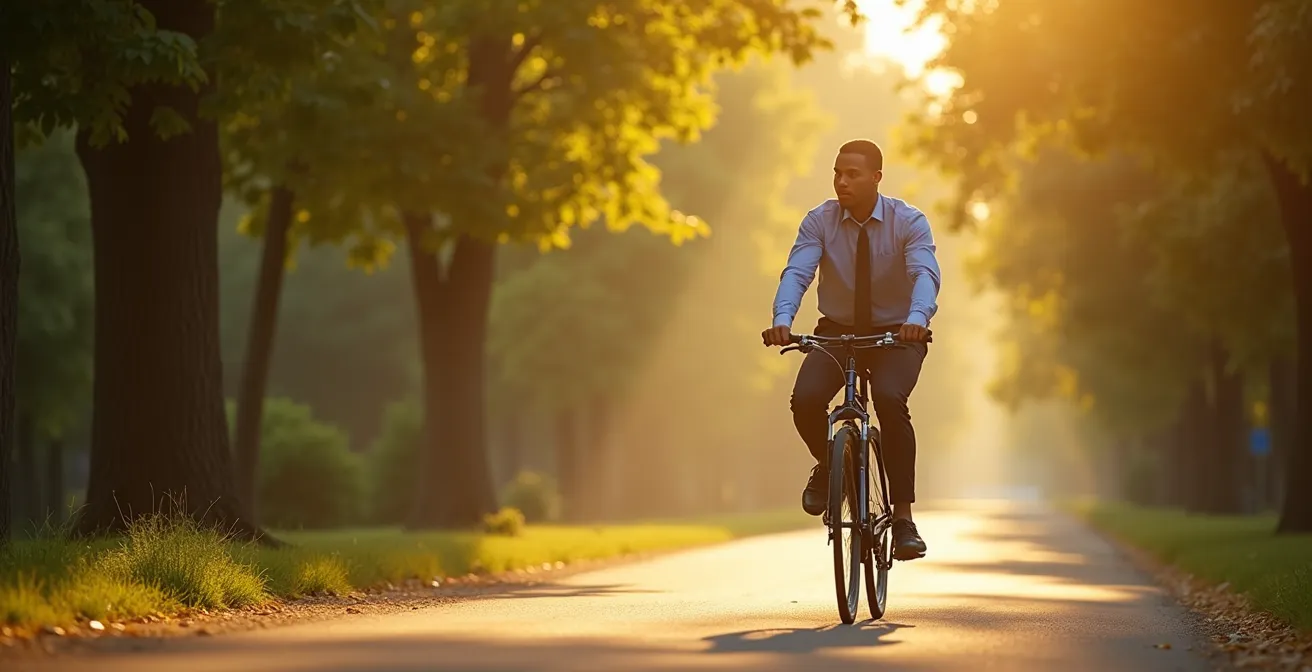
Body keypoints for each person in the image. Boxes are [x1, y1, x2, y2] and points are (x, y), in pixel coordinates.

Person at [762, 139, 940, 561]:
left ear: (877, 177)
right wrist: (783, 320)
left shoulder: (909, 222)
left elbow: (924, 274)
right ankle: (829, 466)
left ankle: (902, 519)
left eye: (853, 174)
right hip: (837, 331)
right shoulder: (819, 221)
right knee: (804, 401)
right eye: (837, 173)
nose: (842, 181)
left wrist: (918, 318)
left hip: (897, 334)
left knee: (889, 400)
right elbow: (797, 272)